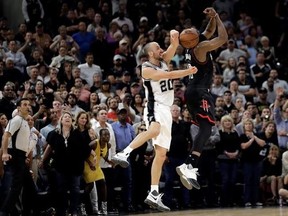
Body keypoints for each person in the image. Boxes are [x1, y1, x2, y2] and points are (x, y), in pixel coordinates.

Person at [111, 29, 198, 211]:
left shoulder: (164, 60)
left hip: (166, 110)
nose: (161, 50)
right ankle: (124, 153)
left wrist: (175, 36)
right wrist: (187, 71)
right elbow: (166, 76)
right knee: (154, 129)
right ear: (151, 53)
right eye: (158, 48)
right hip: (155, 106)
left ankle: (153, 192)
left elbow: (174, 46)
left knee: (161, 155)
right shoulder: (146, 68)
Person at [176, 7, 228, 190]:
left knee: (205, 128)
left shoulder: (194, 45)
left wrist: (213, 16)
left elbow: (208, 31)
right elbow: (222, 38)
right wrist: (220, 18)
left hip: (192, 91)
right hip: (200, 91)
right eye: (192, 32)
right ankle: (189, 165)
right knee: (206, 129)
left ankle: (190, 165)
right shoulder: (200, 47)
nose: (196, 31)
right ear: (193, 39)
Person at [0, 98, 38, 216]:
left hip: (21, 156)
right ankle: (4, 212)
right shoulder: (16, 120)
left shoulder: (25, 122)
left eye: (29, 104)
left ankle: (33, 211)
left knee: (30, 186)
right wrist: (5, 152)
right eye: (25, 104)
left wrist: (24, 155)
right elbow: (6, 136)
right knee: (16, 187)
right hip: (15, 155)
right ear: (18, 108)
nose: (28, 107)